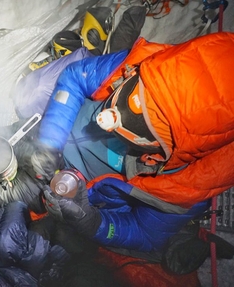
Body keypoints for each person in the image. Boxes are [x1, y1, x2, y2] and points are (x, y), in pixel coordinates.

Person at [29, 32, 234, 255]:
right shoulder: (147, 63)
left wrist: (92, 222)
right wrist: (50, 141)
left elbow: (146, 235)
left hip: (86, 190)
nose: (106, 119)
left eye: (137, 126)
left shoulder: (188, 188)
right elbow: (76, 77)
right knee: (30, 94)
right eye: (128, 92)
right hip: (62, 131)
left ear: (163, 153)